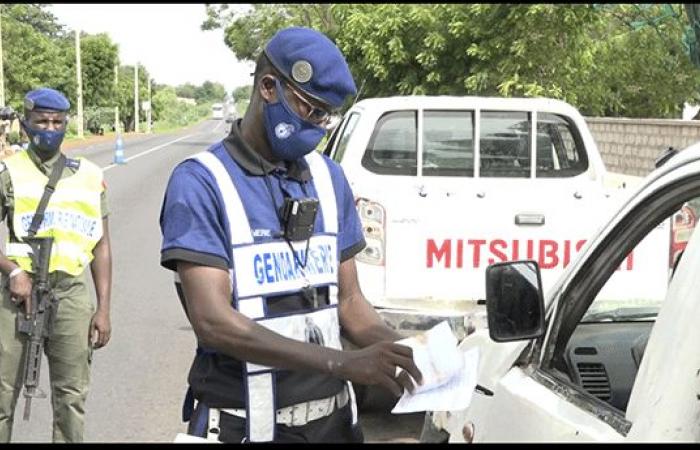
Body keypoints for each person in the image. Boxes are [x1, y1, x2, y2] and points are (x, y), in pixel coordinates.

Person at [159, 27, 423, 443]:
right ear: (268, 87)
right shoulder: (201, 182)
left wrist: (410, 352)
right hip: (244, 426)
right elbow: (213, 321)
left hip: (334, 424)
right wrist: (340, 364)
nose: (318, 126)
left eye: (327, 116)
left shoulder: (328, 177)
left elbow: (350, 302)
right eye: (309, 109)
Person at [0, 88, 112, 442]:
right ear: (25, 124)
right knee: (2, 396)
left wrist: (103, 308)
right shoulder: (8, 172)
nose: (50, 128)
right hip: (18, 294)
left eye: (57, 122)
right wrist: (13, 271)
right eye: (42, 121)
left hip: (71, 292)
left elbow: (102, 245)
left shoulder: (91, 175)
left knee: (71, 397)